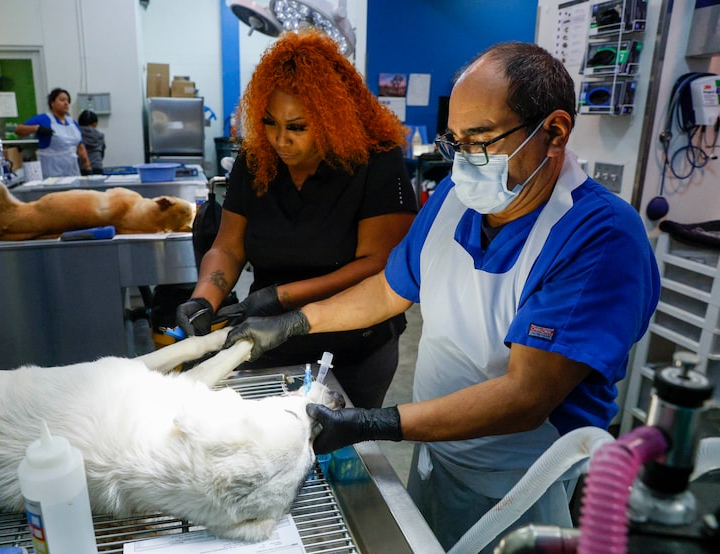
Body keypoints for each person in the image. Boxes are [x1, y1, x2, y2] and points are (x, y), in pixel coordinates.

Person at [224, 41, 660, 550]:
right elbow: (387, 292)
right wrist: (294, 322)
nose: (466, 162)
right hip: (437, 452)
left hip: (524, 485)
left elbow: (525, 397)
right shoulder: (455, 200)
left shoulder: (599, 237)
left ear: (554, 132)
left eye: (481, 140)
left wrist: (374, 422)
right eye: (455, 142)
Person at [175, 30, 417, 409]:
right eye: (270, 123)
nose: (280, 140)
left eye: (297, 127)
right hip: (265, 340)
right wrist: (205, 297)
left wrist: (281, 298)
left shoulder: (375, 163)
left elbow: (378, 263)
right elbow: (227, 246)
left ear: (332, 119)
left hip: (354, 343)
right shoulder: (254, 164)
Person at [15, 88, 91, 177]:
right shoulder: (44, 119)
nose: (66, 103)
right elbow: (18, 130)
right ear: (52, 103)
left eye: (68, 101)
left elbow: (80, 147)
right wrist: (37, 128)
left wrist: (87, 166)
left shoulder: (72, 123)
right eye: (62, 100)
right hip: (51, 174)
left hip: (72, 173)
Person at [77, 109, 105, 175]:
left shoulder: (77, 134)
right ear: (95, 123)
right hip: (97, 166)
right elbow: (102, 153)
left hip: (81, 167)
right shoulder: (100, 136)